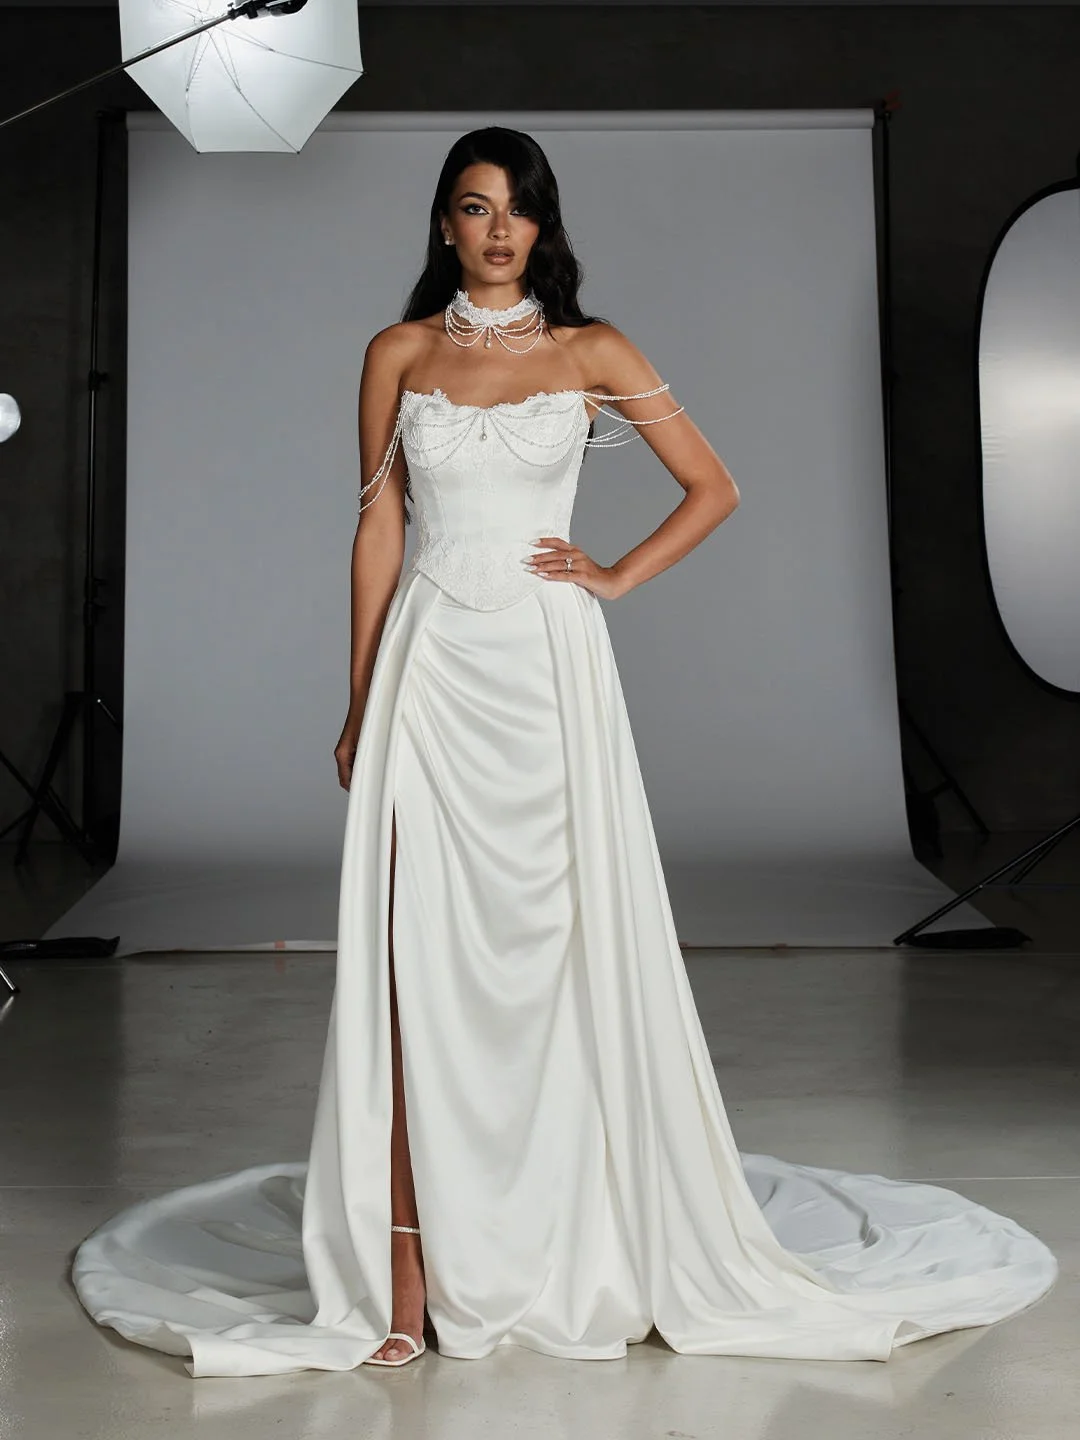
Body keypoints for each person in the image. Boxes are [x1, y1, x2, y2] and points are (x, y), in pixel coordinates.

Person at [71, 127, 1056, 1378]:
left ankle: (571, 1229)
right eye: (474, 208)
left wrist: (610, 578)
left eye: (518, 210)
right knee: (408, 964)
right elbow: (378, 527)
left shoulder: (594, 352)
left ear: (543, 228)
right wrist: (360, 693)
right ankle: (407, 1274)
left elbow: (714, 488)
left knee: (555, 954)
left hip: (546, 677)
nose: (496, 230)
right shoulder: (398, 352)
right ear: (442, 225)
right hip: (430, 673)